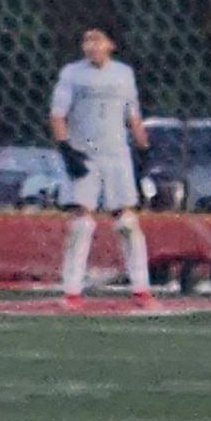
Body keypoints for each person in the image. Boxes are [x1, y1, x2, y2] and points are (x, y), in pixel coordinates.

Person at [48, 24, 159, 310]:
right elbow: (57, 114)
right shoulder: (72, 74)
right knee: (81, 224)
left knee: (127, 222)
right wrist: (65, 149)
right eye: (87, 40)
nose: (91, 46)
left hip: (117, 155)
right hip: (84, 153)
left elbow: (132, 115)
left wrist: (143, 149)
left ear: (110, 44)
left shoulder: (124, 74)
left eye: (97, 40)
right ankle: (71, 292)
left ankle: (142, 290)